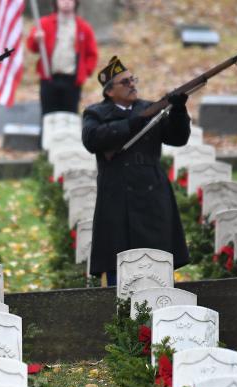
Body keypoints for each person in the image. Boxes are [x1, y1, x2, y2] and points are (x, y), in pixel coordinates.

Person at [81, 56, 190, 286]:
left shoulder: (150, 108)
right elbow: (92, 139)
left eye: (133, 80)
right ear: (109, 92)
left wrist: (179, 110)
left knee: (158, 262)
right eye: (125, 82)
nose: (132, 85)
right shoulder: (95, 113)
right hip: (117, 196)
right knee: (117, 265)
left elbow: (178, 138)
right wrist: (132, 123)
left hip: (152, 194)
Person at [26, 0, 98, 115]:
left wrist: (86, 71)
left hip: (72, 81)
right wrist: (36, 39)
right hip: (49, 79)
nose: (66, 2)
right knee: (48, 116)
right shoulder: (44, 23)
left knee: (70, 116)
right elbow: (32, 47)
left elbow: (92, 54)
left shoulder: (83, 27)